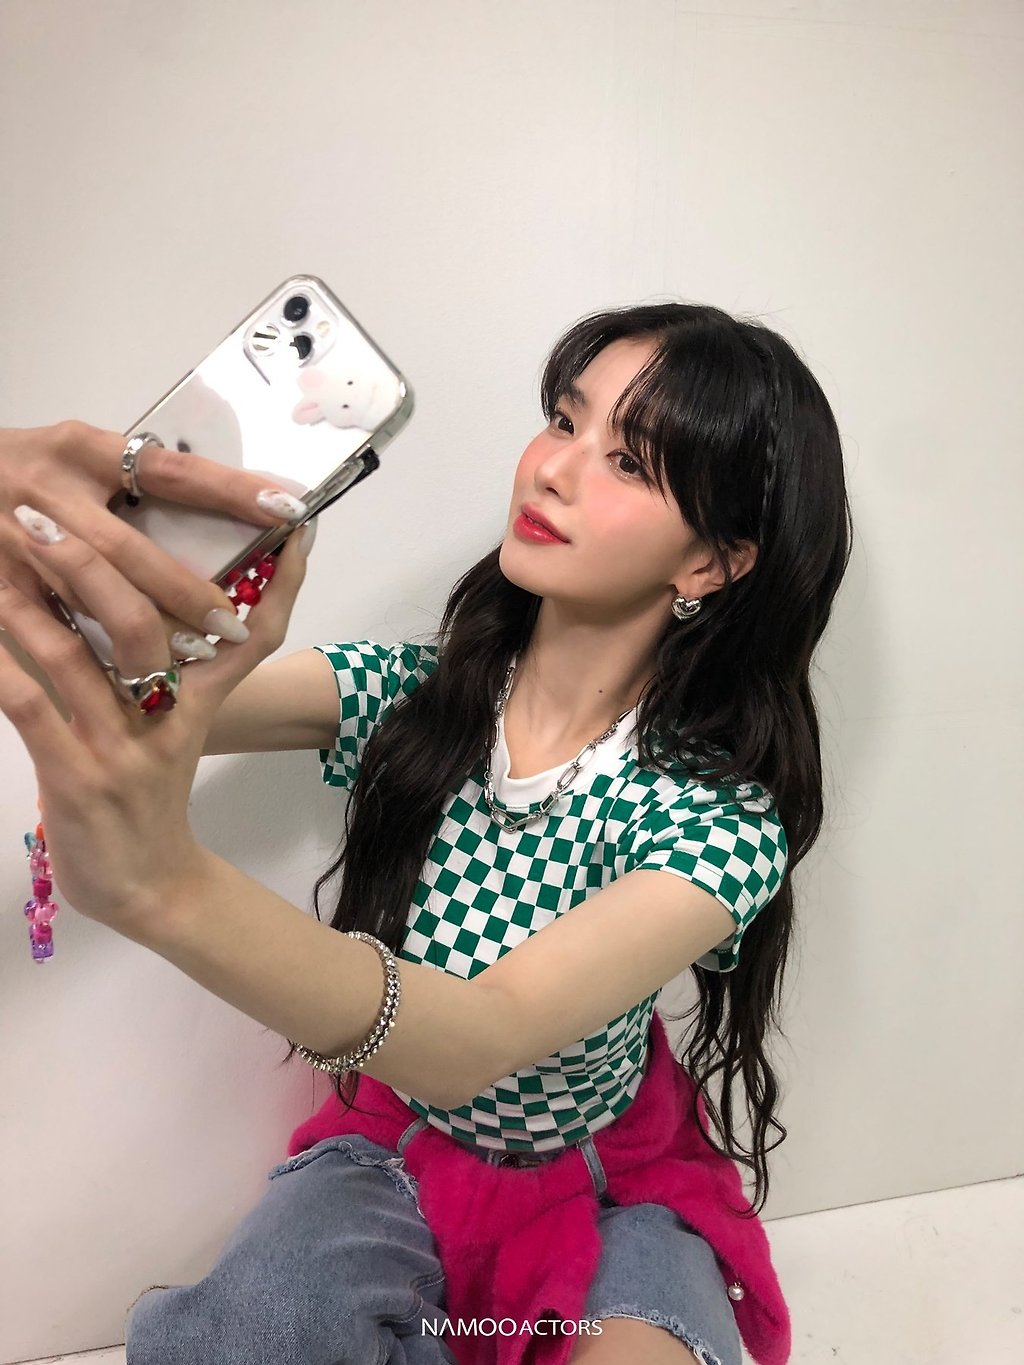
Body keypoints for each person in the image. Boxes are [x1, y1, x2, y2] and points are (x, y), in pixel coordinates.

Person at [0, 300, 851, 1365]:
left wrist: (165, 888)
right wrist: (79, 593)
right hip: (392, 1152)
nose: (552, 469)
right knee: (242, 1337)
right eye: (563, 420)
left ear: (713, 564)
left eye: (629, 462)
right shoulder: (416, 697)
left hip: (607, 1179)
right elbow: (160, 698)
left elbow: (482, 1036)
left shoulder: (715, 822)